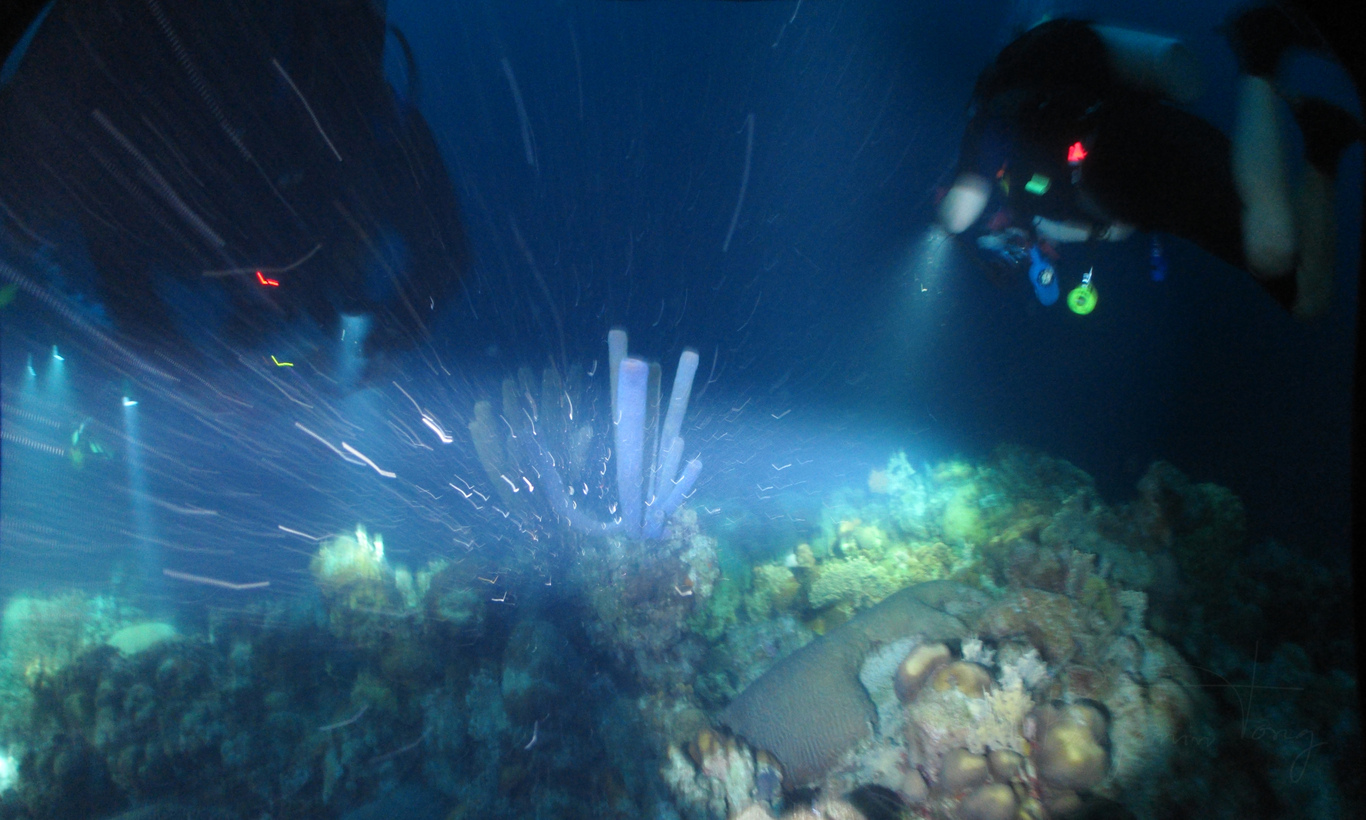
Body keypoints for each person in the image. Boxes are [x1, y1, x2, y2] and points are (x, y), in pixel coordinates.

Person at [939, 6, 1362, 319]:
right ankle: (1323, 142)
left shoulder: (992, 119)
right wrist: (1038, 233)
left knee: (1272, 249)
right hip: (1158, 154)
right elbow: (1114, 227)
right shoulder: (1031, 156)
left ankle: (1260, 50)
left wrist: (946, 224)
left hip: (1145, 165)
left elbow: (958, 213)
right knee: (1306, 297)